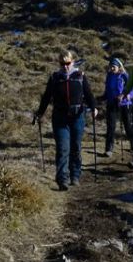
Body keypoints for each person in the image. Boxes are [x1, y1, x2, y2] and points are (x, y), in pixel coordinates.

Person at [35, 51, 98, 190]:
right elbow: (46, 97)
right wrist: (40, 113)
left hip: (77, 117)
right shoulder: (55, 78)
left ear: (73, 62)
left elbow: (88, 94)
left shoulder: (80, 76)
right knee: (63, 148)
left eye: (67, 63)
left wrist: (94, 108)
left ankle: (75, 175)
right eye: (62, 64)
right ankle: (62, 179)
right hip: (60, 117)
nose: (65, 66)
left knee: (75, 147)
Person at [101, 58, 132, 157]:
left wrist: (128, 95)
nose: (111, 68)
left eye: (113, 66)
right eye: (110, 66)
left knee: (127, 125)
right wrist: (103, 97)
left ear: (119, 67)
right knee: (111, 126)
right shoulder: (109, 76)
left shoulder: (124, 76)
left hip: (124, 103)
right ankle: (109, 148)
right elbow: (107, 89)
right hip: (111, 102)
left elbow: (131, 88)